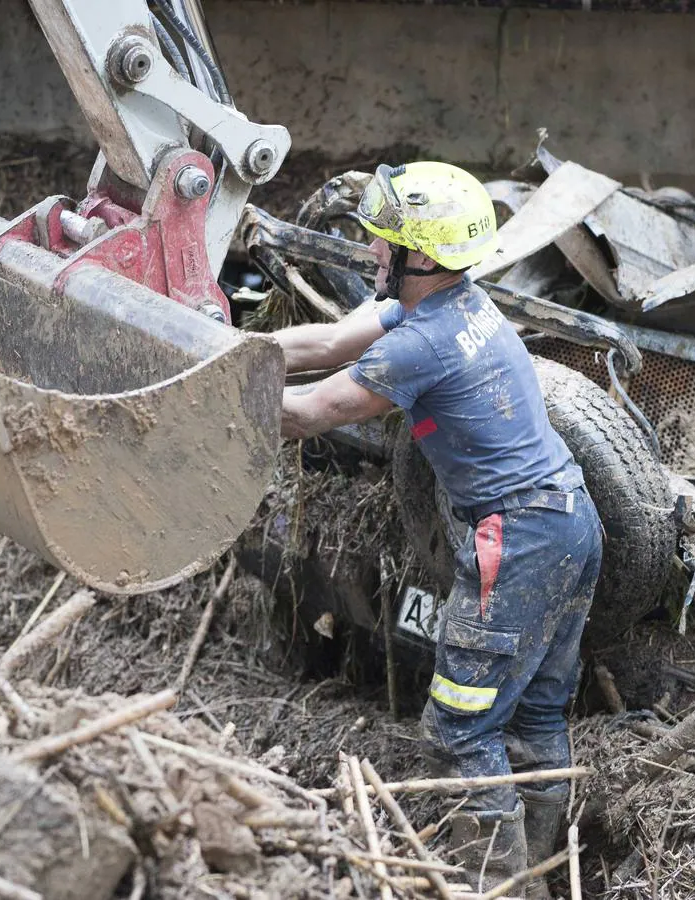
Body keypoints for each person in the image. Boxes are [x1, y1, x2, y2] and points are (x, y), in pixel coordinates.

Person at [272, 162, 603, 894]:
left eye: (383, 243)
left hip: (514, 543)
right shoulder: (456, 304)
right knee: (538, 710)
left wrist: (203, 398)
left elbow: (307, 412)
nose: (372, 254)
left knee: (460, 731)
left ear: (421, 254)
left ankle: (499, 889)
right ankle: (544, 878)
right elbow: (326, 341)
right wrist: (229, 348)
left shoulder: (417, 345)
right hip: (572, 522)